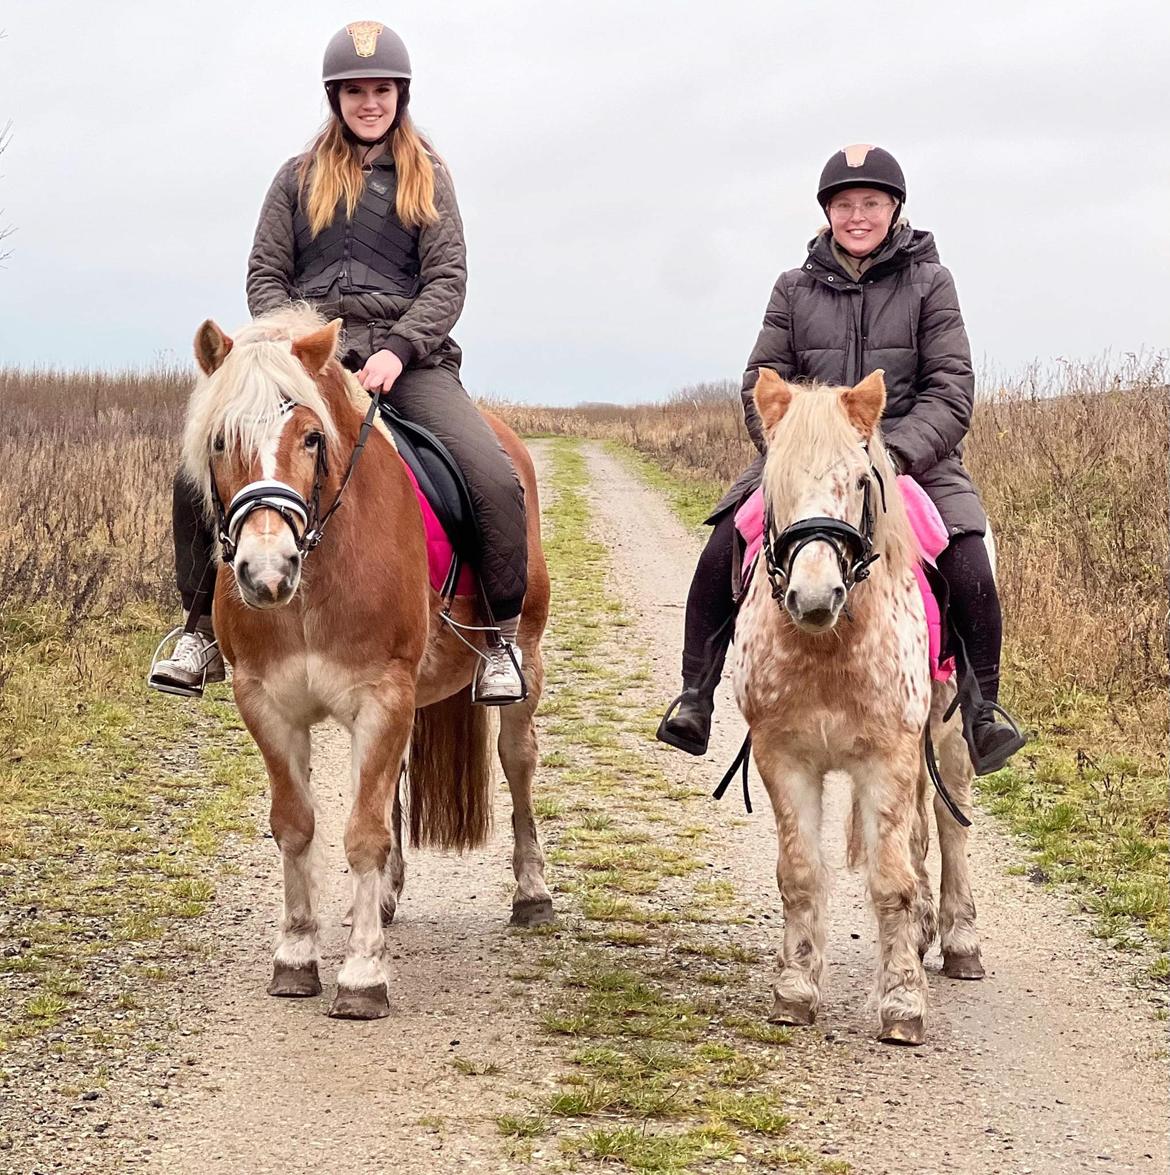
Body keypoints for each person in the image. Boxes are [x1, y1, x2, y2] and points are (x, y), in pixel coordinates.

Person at [150, 21, 527, 704]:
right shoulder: (294, 181)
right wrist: (287, 343)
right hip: (305, 361)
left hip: (409, 363)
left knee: (492, 477)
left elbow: (447, 281)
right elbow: (266, 273)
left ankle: (498, 638)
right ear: (336, 97)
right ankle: (200, 628)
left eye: (381, 90)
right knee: (200, 465)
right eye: (356, 92)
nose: (370, 103)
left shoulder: (429, 178)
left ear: (399, 94)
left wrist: (398, 349)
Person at [656, 144, 1026, 776]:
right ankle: (696, 696)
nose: (859, 216)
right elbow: (760, 383)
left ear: (894, 209)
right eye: (845, 204)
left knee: (967, 561)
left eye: (872, 203)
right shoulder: (792, 289)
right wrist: (794, 448)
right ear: (828, 212)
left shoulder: (931, 283)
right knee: (722, 546)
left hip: (916, 459)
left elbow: (951, 389)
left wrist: (889, 455)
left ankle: (982, 708)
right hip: (807, 461)